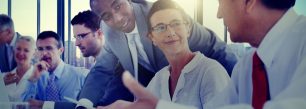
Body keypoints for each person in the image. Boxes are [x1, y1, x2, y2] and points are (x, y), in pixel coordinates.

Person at [98, 0, 306, 109]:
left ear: (248, 1)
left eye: (220, 2)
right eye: (160, 28)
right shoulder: (248, 68)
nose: (218, 14)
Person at [76, 0, 237, 107]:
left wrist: (244, 83)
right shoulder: (109, 31)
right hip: (159, 78)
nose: (117, 18)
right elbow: (102, 69)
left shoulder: (162, 15)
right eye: (107, 16)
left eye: (118, 6)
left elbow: (214, 47)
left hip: (204, 68)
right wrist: (84, 103)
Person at [144, 0, 230, 108]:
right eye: (161, 27)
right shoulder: (157, 80)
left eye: (176, 24)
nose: (170, 33)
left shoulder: (211, 72)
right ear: (152, 38)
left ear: (188, 29)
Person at [22, 31, 89, 109]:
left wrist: (43, 105)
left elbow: (89, 106)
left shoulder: (81, 76)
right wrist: (33, 79)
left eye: (49, 48)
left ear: (61, 50)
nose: (44, 53)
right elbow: (24, 105)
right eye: (40, 49)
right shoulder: (35, 77)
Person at [2, 36, 36, 102]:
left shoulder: (38, 78)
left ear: (33, 54)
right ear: (14, 50)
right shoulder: (4, 77)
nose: (21, 53)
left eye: (26, 50)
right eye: (18, 49)